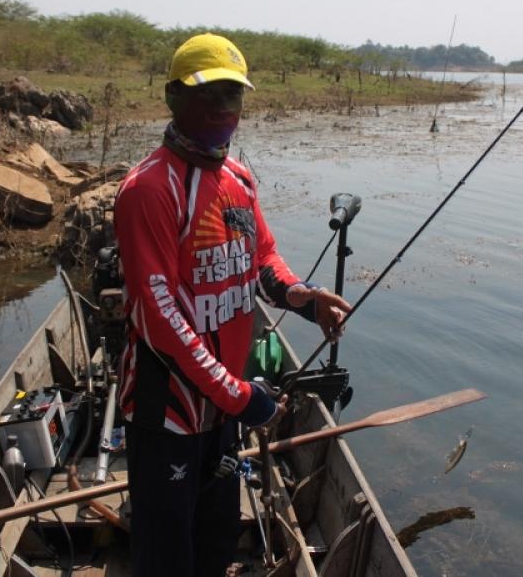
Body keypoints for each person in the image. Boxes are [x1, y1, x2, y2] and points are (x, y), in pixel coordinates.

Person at [114, 32, 351, 576]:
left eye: (234, 95)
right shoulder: (149, 190)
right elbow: (159, 318)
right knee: (167, 557)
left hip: (224, 408)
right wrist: (241, 395)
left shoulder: (238, 179)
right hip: (167, 414)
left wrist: (303, 299)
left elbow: (261, 259)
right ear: (173, 95)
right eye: (208, 93)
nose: (224, 107)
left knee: (216, 541)